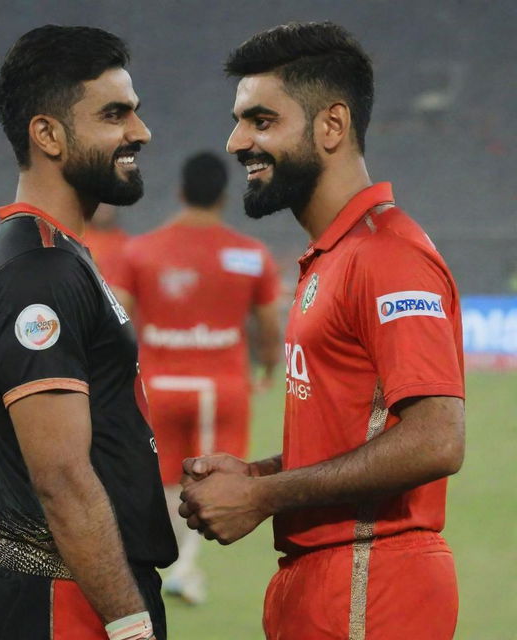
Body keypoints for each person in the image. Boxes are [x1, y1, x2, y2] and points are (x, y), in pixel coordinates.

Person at [179, 22, 465, 639]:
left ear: (331, 126)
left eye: (260, 120)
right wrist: (259, 477)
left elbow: (437, 438)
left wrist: (265, 498)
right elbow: (360, 429)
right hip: (329, 582)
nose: (235, 142)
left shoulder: (388, 257)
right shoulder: (333, 258)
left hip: (371, 581)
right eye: (238, 121)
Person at [0, 25, 176, 640]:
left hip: (79, 590)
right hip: (66, 599)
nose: (139, 131)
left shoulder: (57, 255)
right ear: (48, 134)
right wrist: (130, 625)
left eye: (133, 111)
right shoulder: (39, 270)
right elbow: (61, 477)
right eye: (115, 114)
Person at [112, 151, 282, 604]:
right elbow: (268, 327)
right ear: (226, 198)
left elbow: (119, 321)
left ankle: (161, 564)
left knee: (166, 481)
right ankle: (185, 568)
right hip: (221, 387)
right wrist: (266, 367)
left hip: (158, 387)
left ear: (180, 192)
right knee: (210, 480)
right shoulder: (249, 256)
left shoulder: (140, 251)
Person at [82, 203, 130, 285]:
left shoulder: (125, 243)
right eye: (100, 204)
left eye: (108, 204)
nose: (104, 209)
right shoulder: (79, 237)